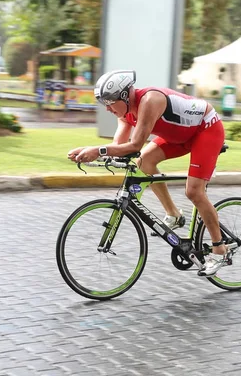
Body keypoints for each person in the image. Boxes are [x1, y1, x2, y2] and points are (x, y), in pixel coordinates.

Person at [67, 70, 227, 277]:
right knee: (144, 162)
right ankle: (174, 214)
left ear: (125, 96)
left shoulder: (150, 100)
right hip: (178, 136)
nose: (107, 109)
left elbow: (134, 144)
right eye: (103, 103)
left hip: (205, 130)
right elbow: (119, 145)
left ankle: (219, 249)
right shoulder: (123, 112)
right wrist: (92, 153)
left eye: (109, 102)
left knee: (194, 192)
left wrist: (96, 150)